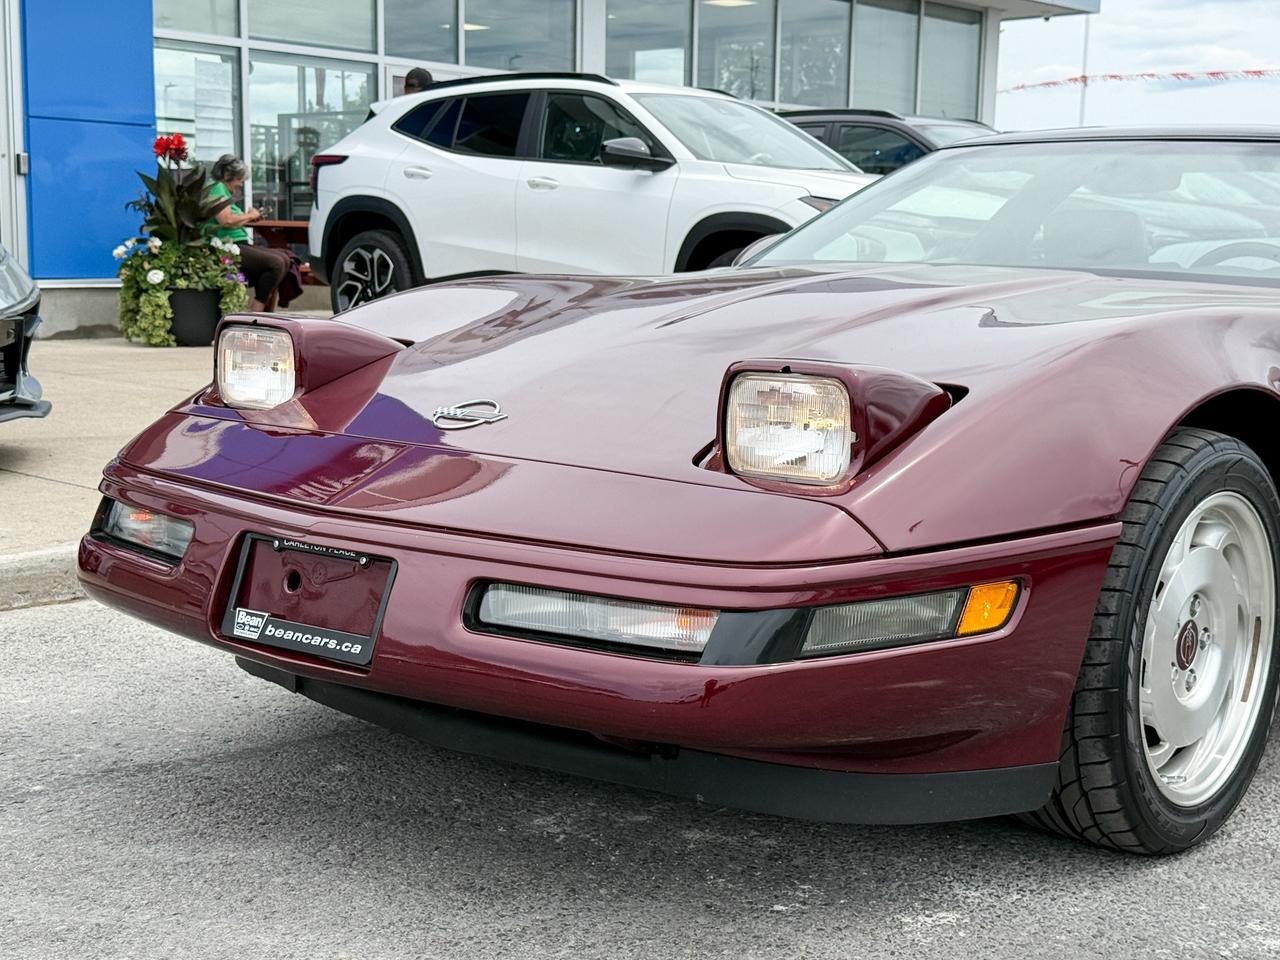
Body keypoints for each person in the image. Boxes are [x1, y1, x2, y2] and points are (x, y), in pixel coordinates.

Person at [205, 155, 289, 312]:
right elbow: (227, 220)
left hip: (237, 245)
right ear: (227, 176)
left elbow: (231, 219)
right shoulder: (216, 188)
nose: (241, 184)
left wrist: (248, 216)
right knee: (275, 263)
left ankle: (264, 312)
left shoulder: (222, 191)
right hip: (226, 248)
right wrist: (250, 216)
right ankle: (256, 311)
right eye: (239, 179)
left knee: (285, 258)